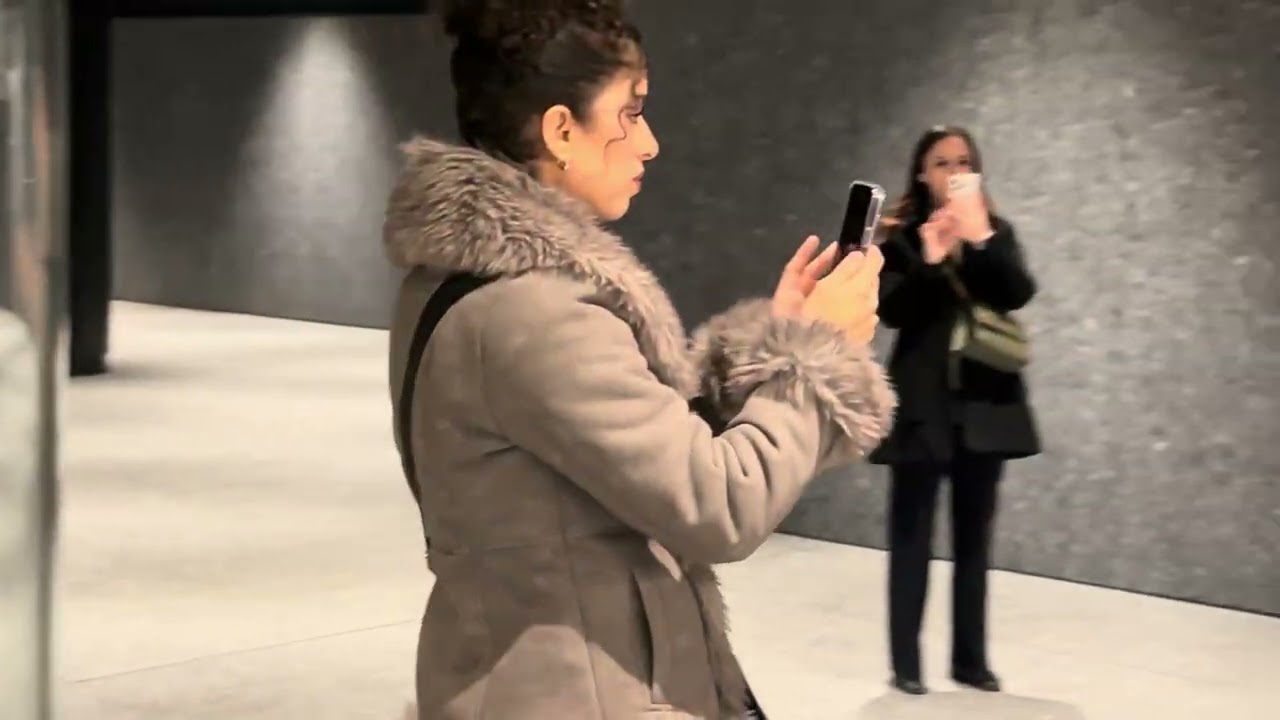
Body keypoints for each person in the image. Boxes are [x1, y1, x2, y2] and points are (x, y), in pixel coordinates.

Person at [382, 2, 898, 718]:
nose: (649, 143)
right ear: (562, 130)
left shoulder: (467, 282)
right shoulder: (535, 311)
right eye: (630, 113)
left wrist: (779, 340)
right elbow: (720, 506)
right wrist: (817, 356)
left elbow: (634, 452)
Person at [870, 126, 1041, 695]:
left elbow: (1017, 292)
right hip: (923, 406)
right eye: (941, 162)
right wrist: (930, 256)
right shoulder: (899, 238)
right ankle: (906, 664)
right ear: (922, 174)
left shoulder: (995, 231)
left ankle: (970, 660)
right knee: (911, 537)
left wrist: (980, 237)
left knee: (974, 541)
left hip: (984, 407)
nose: (954, 171)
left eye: (963, 162)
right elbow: (892, 312)